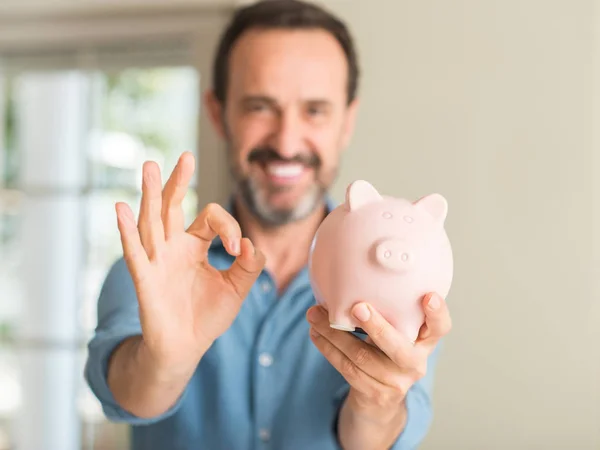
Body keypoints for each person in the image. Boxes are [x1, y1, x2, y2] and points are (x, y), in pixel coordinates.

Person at [84, 1, 452, 449]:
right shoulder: (151, 275)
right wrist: (164, 362)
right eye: (261, 106)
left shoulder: (403, 286)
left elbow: (370, 440)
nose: (286, 141)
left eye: (314, 110)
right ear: (218, 113)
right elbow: (129, 392)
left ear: (346, 121)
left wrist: (378, 401)